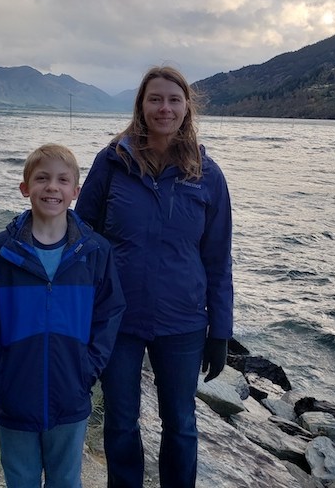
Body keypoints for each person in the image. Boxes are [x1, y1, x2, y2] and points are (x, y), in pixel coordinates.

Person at [75, 66, 234, 488]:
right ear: (141, 106)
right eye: (155, 99)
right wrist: (77, 309)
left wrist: (220, 332)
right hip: (118, 319)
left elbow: (218, 260)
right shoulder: (112, 163)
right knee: (120, 420)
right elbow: (81, 238)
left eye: (173, 100)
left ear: (187, 108)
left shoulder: (207, 175)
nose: (165, 108)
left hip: (183, 323)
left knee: (180, 422)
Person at [0, 143, 126, 488]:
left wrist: (88, 369)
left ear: (76, 191)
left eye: (63, 180)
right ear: (25, 188)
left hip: (71, 394)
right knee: (20, 478)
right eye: (42, 178)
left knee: (66, 479)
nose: (52, 187)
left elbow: (109, 314)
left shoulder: (95, 252)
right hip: (15, 396)